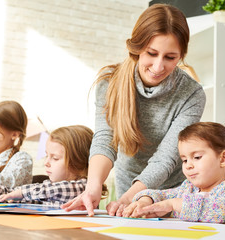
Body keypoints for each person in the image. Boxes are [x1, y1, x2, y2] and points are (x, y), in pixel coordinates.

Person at [62, 3, 206, 216]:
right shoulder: (109, 83)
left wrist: (130, 197)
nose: (158, 67)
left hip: (173, 195)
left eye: (170, 57)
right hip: (127, 187)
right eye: (152, 53)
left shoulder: (192, 94)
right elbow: (105, 140)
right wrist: (93, 187)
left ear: (181, 55)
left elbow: (166, 158)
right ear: (137, 47)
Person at [122, 120, 225, 224]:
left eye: (197, 157)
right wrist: (146, 200)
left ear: (223, 159)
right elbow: (162, 195)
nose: (188, 165)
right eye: (184, 160)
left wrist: (175, 204)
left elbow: (223, 211)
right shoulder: (188, 188)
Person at [0, 125, 108, 207]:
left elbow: (46, 191)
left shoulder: (83, 188)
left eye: (54, 158)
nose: (46, 162)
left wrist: (20, 192)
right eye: (47, 155)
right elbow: (18, 195)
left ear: (78, 162)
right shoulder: (44, 190)